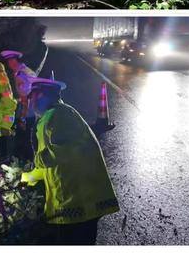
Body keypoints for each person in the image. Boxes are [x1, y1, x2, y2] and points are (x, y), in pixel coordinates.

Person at [21, 78, 119, 245]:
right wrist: (27, 177)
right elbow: (54, 161)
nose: (30, 102)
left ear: (42, 95)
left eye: (32, 96)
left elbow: (60, 152)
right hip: (75, 199)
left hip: (79, 201)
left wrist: (36, 161)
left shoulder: (58, 116)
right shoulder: (55, 115)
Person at [0, 50, 37, 162]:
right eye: (8, 62)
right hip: (33, 110)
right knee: (29, 139)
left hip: (27, 113)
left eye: (10, 61)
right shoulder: (25, 70)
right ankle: (27, 162)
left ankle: (22, 163)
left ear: (15, 61)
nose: (9, 64)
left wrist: (22, 118)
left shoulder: (21, 75)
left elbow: (26, 99)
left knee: (23, 140)